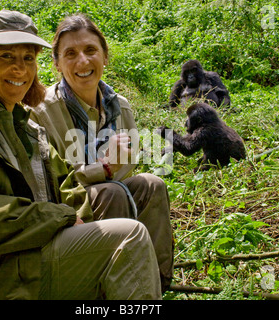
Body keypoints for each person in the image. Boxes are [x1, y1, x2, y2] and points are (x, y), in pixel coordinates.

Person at [0, 9, 161, 300]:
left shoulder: (25, 124)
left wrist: (74, 220)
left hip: (32, 256)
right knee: (128, 236)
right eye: (6, 57)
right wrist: (59, 217)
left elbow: (69, 189)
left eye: (28, 58)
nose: (19, 69)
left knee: (133, 210)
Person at [28, 13, 174, 292]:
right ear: (57, 64)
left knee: (152, 185)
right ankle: (109, 287)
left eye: (91, 50)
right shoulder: (42, 112)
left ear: (105, 57)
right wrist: (103, 169)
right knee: (111, 191)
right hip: (65, 206)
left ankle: (155, 282)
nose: (83, 61)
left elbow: (127, 166)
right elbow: (53, 185)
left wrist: (112, 167)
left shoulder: (119, 105)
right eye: (70, 53)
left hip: (104, 190)